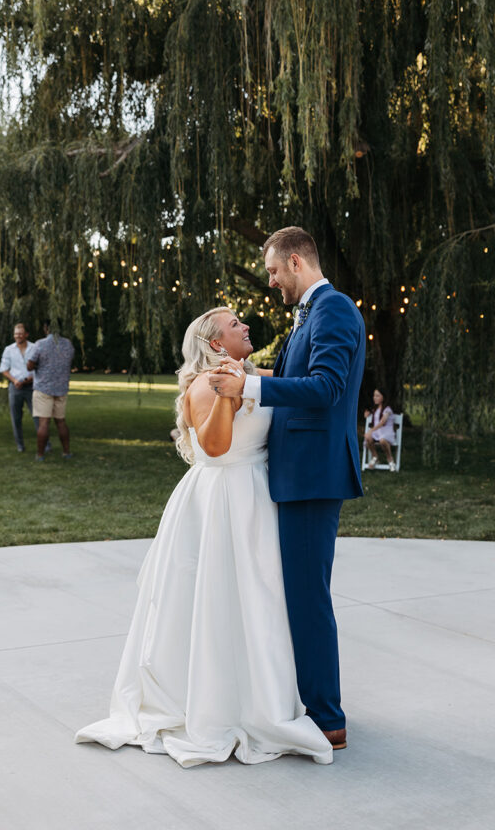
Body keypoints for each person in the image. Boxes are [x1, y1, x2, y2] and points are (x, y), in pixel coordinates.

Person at [75, 307, 332, 768]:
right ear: (215, 344)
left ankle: (265, 699)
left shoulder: (250, 373)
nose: (246, 326)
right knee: (219, 601)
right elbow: (214, 447)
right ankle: (220, 706)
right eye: (235, 325)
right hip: (222, 501)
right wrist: (226, 396)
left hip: (257, 497)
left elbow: (302, 383)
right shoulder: (203, 385)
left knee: (260, 599)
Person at [210, 227, 366, 751]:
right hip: (301, 474)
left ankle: (326, 719)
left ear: (296, 262)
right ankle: (312, 705)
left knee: (307, 600)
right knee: (300, 595)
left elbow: (326, 388)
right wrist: (255, 371)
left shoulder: (334, 310)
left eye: (274, 272)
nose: (271, 282)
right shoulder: (311, 315)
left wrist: (249, 386)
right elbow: (301, 374)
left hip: (312, 476)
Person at [26, 320, 74, 460]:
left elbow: (30, 365)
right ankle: (66, 452)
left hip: (43, 388)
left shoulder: (40, 344)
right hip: (61, 388)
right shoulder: (68, 344)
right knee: (61, 421)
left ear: (46, 328)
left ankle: (40, 454)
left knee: (44, 423)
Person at [0, 322, 39, 452]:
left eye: (21, 334)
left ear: (26, 334)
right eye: (16, 334)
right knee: (16, 418)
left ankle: (45, 443)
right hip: (15, 387)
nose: (18, 336)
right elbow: (3, 369)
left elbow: (40, 367)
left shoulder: (35, 348)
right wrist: (15, 381)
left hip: (32, 386)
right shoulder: (8, 350)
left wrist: (28, 380)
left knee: (38, 416)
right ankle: (20, 445)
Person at [364, 388, 396, 470]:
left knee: (382, 440)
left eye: (377, 396)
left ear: (383, 397)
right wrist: (368, 413)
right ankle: (375, 456)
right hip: (378, 432)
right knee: (368, 438)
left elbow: (382, 422)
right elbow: (373, 415)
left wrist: (371, 430)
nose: (375, 397)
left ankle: (390, 459)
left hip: (386, 431)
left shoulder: (387, 409)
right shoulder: (375, 409)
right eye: (374, 395)